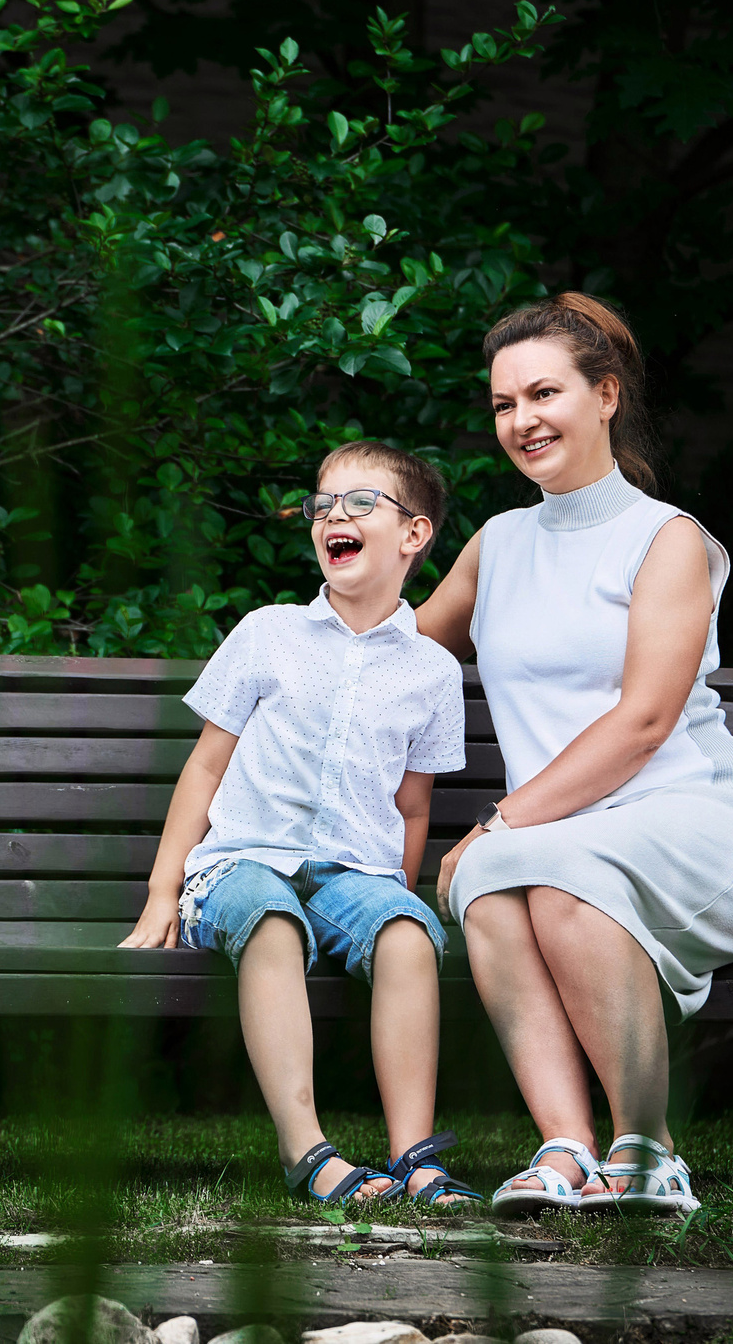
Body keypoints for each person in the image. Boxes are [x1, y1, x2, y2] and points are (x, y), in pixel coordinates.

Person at [415, 293, 733, 1216]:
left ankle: (650, 1153)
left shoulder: (667, 540)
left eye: (544, 393)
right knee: (499, 881)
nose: (522, 421)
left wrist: (500, 821)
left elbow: (644, 724)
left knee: (526, 866)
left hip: (699, 825)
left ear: (606, 396)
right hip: (562, 840)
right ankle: (566, 1151)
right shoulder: (498, 545)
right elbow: (403, 663)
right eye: (504, 405)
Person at [118, 440, 480, 1209]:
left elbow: (412, 806)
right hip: (242, 867)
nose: (332, 517)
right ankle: (307, 1153)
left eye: (359, 503)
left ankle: (413, 1157)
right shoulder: (267, 632)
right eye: (323, 504)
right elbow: (207, 768)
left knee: (410, 934)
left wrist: (395, 900)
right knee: (273, 918)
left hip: (352, 874)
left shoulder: (433, 672)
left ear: (414, 534)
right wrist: (162, 891)